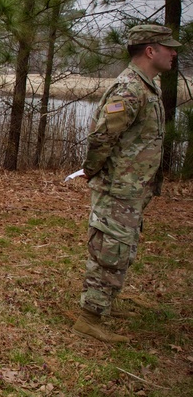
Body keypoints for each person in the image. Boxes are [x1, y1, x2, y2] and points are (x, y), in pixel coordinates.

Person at [72, 24, 180, 344]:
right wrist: (91, 170)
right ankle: (89, 318)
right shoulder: (130, 88)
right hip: (117, 187)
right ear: (150, 51)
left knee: (122, 247)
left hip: (131, 187)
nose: (174, 53)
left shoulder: (147, 86)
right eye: (168, 47)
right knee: (110, 248)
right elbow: (102, 136)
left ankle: (105, 303)